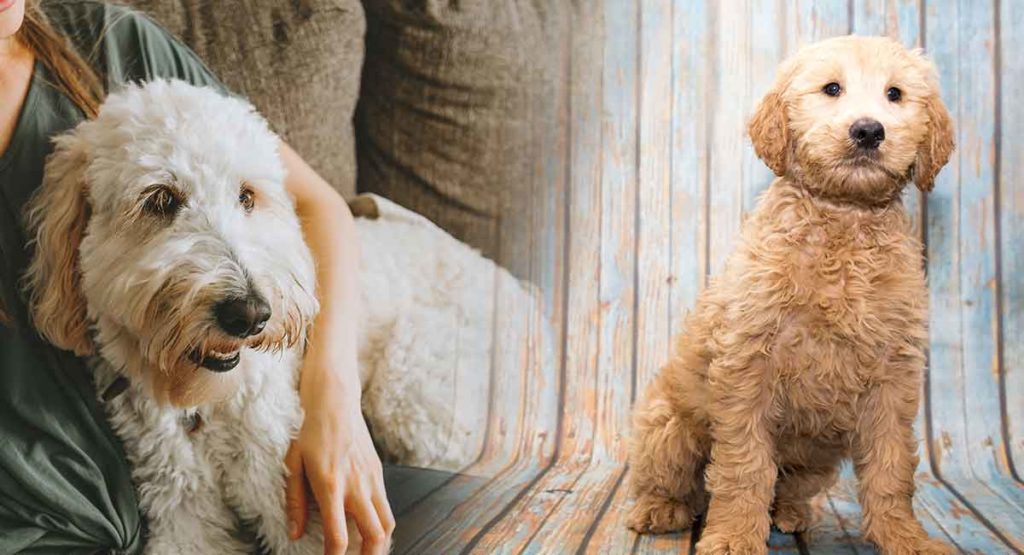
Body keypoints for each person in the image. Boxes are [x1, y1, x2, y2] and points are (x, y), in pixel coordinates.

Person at [0, 1, 393, 553]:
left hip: (155, 492)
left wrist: (333, 397)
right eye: (161, 201)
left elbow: (315, 206)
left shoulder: (111, 41)